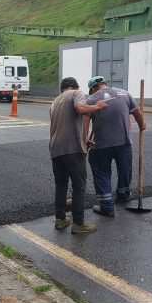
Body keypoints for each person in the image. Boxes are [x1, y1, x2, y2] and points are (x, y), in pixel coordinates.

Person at [50, 77, 107, 234]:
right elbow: (80, 109)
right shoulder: (76, 93)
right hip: (73, 150)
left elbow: (65, 126)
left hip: (55, 149)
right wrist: (97, 106)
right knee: (79, 185)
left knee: (61, 185)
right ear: (75, 87)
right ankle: (79, 224)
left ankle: (60, 219)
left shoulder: (55, 102)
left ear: (62, 89)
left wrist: (84, 138)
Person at [86, 76, 146, 217]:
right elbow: (137, 113)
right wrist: (142, 124)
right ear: (105, 84)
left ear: (93, 88)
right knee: (125, 169)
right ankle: (123, 195)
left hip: (100, 144)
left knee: (101, 172)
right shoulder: (124, 93)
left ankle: (107, 206)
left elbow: (85, 121)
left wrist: (85, 139)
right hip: (123, 141)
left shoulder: (91, 99)